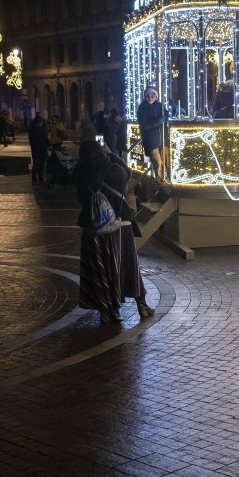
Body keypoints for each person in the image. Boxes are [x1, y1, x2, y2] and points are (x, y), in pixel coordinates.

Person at [73, 139, 154, 322]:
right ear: (100, 152)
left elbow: (80, 197)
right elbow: (127, 172)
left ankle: (107, 311)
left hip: (92, 229)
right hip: (119, 226)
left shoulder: (80, 174)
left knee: (99, 270)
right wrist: (110, 154)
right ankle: (141, 304)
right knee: (128, 266)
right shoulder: (115, 171)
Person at [137, 84, 168, 184]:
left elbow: (167, 115)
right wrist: (160, 120)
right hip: (151, 140)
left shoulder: (160, 106)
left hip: (162, 138)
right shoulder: (142, 108)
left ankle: (165, 179)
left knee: (165, 160)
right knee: (158, 162)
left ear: (156, 96)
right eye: (148, 96)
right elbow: (145, 125)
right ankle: (161, 183)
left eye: (152, 96)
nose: (149, 98)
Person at [28, 113, 50, 186]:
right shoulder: (32, 131)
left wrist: (48, 146)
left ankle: (40, 177)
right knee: (36, 164)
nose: (41, 123)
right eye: (40, 122)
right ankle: (34, 177)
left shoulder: (43, 131)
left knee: (42, 164)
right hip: (36, 150)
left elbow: (46, 139)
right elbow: (32, 141)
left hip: (43, 149)